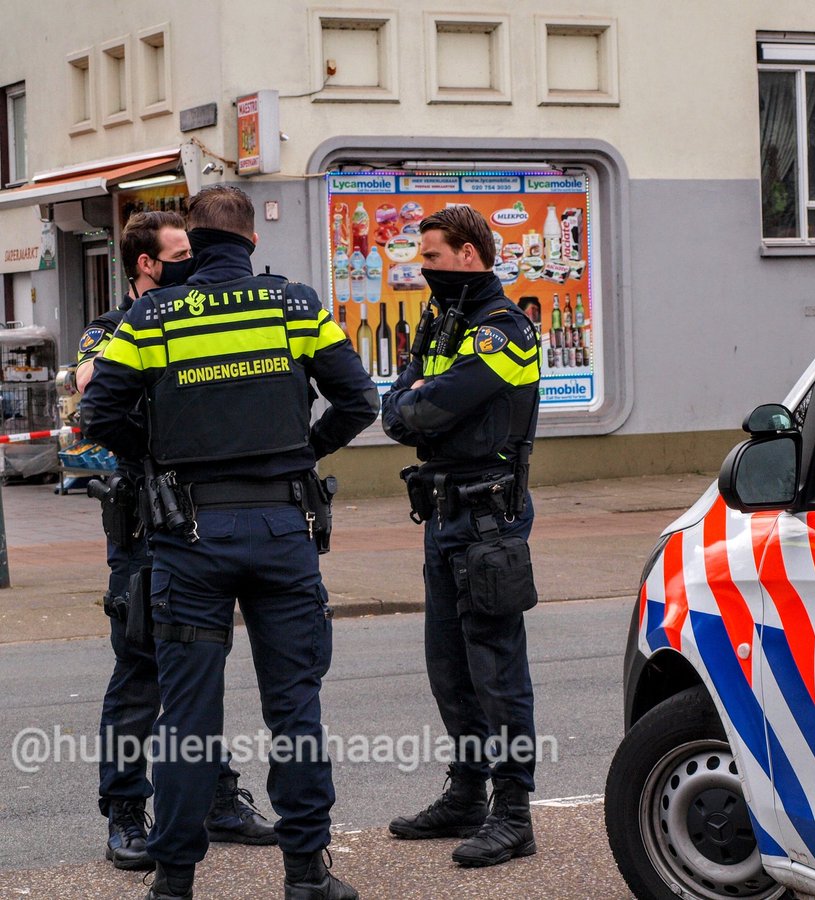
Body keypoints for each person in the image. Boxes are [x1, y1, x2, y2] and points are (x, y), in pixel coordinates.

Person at [81, 185, 378, 900]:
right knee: (295, 709)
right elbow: (359, 401)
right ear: (248, 243)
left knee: (187, 717)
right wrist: (303, 453)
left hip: (188, 537)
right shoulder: (298, 305)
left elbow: (99, 413)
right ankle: (307, 876)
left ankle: (174, 884)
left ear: (197, 243)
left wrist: (154, 460)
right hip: (282, 531)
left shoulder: (152, 315)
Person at [77, 211, 275, 874]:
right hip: (142, 528)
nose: (197, 260)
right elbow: (91, 396)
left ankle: (216, 799)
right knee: (141, 673)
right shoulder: (109, 329)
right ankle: (127, 814)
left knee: (199, 671)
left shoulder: (197, 317)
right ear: (147, 266)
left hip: (199, 524)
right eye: (182, 252)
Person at [380, 206, 541, 868]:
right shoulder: (441, 320)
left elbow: (427, 406)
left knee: (495, 668)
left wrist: (422, 399)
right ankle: (468, 793)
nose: (424, 269)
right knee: (449, 664)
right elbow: (396, 409)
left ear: (470, 255)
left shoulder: (505, 331)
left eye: (434, 258)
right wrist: (420, 398)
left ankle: (514, 812)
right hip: (444, 514)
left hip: (487, 518)